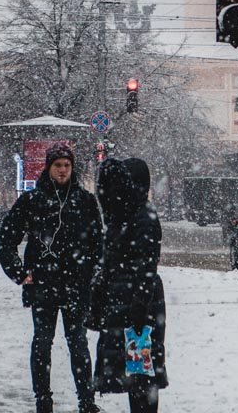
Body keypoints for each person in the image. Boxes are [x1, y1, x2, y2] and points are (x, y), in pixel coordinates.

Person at [0, 143, 102, 413]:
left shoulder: (85, 201)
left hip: (76, 285)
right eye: (58, 165)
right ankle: (43, 399)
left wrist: (92, 274)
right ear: (49, 167)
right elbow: (7, 238)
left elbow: (97, 244)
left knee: (78, 342)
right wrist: (19, 274)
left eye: (67, 165)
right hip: (42, 284)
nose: (63, 170)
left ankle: (86, 401)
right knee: (42, 342)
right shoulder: (32, 200)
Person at [90, 158, 167, 413]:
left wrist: (139, 305)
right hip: (127, 303)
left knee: (142, 375)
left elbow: (146, 265)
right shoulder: (125, 214)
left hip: (138, 309)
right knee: (136, 374)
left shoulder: (142, 215)